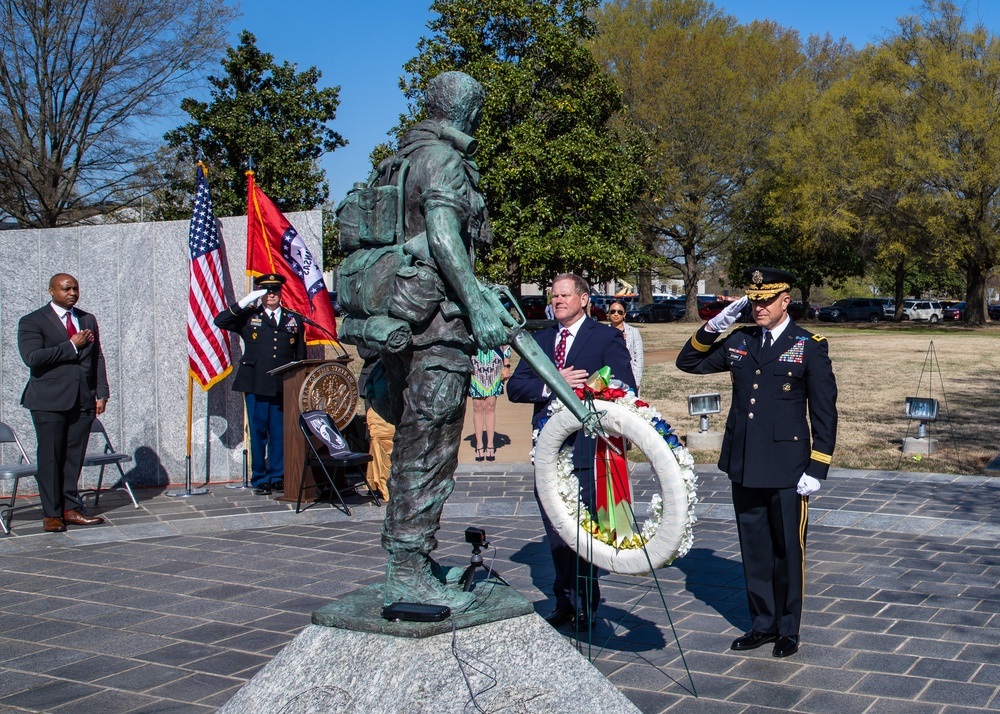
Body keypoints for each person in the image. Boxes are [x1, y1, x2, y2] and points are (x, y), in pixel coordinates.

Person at [366, 71, 507, 609]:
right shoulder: (444, 160)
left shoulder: (401, 158)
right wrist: (474, 303)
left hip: (408, 321)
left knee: (413, 442)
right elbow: (445, 237)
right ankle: (407, 565)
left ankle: (413, 558)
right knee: (430, 446)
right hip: (438, 327)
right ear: (467, 111)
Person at [675, 267, 838, 658]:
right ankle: (762, 623)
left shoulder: (809, 346)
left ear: (786, 301)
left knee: (788, 551)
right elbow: (688, 363)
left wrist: (818, 467)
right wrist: (715, 324)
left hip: (787, 468)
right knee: (754, 548)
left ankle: (787, 628)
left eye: (766, 301)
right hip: (745, 463)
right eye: (754, 300)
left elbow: (824, 413)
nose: (759, 307)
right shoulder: (740, 340)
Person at [507, 273, 636, 630]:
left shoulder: (606, 336)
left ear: (584, 300)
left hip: (586, 450)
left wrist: (585, 389)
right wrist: (554, 383)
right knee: (556, 532)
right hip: (547, 453)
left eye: (565, 295)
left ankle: (584, 603)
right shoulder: (540, 340)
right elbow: (516, 387)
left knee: (583, 531)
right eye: (554, 296)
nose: (557, 301)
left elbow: (623, 385)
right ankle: (564, 599)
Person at [17, 273, 109, 532]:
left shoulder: (87, 318)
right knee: (50, 457)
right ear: (51, 291)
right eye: (66, 289)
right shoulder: (33, 321)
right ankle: (51, 513)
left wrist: (101, 393)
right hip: (49, 401)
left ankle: (70, 508)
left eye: (75, 289)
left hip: (82, 401)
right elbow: (32, 357)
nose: (72, 293)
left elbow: (97, 358)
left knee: (73, 458)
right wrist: (71, 345)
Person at [215, 273, 306, 496]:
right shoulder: (248, 317)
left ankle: (277, 475)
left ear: (281, 293)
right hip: (255, 383)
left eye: (275, 291)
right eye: (267, 291)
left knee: (279, 432)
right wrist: (246, 301)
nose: (271, 295)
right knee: (257, 432)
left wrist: (299, 384)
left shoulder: (294, 320)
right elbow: (220, 321)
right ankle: (260, 477)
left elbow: (300, 355)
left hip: (282, 384)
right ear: (261, 294)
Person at [357, 345, 392, 502]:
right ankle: (377, 483)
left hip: (396, 382)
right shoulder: (368, 321)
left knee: (391, 435)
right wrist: (388, 346)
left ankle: (389, 481)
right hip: (375, 382)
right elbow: (364, 351)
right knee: (375, 435)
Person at [468, 346, 511, 461]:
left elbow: (505, 343)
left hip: (494, 362)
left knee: (490, 406)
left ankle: (490, 444)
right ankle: (479, 445)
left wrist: (507, 366)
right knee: (477, 406)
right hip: (475, 361)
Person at [607, 299, 643, 391]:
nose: (616, 314)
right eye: (612, 311)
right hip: (610, 375)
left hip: (628, 375)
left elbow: (639, 358)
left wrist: (636, 381)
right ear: (608, 313)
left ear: (624, 314)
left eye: (619, 312)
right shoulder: (603, 331)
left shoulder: (633, 332)